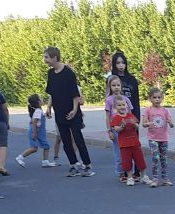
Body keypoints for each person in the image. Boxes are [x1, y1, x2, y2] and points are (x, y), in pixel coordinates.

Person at [43, 46, 94, 177]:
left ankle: (87, 165)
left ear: (55, 58)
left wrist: (74, 110)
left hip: (72, 112)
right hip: (59, 112)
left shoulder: (68, 73)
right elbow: (51, 93)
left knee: (78, 139)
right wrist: (48, 107)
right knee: (65, 140)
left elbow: (75, 94)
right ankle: (73, 165)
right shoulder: (50, 74)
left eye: (46, 57)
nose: (45, 60)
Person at [110, 96, 151, 186]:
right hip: (124, 144)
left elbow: (137, 126)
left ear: (126, 105)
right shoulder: (116, 118)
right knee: (127, 161)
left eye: (123, 105)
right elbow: (116, 129)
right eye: (119, 105)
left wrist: (134, 124)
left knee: (140, 160)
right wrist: (122, 127)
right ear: (115, 107)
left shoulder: (131, 115)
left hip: (135, 143)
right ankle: (129, 177)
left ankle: (143, 176)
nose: (122, 107)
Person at [143, 86, 174, 186]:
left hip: (164, 138)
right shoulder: (148, 110)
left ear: (162, 98)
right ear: (150, 99)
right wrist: (148, 123)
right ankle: (155, 178)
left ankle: (165, 178)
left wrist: (171, 123)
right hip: (153, 138)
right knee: (155, 158)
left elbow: (170, 122)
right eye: (154, 97)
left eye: (159, 97)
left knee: (163, 158)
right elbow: (143, 124)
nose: (157, 99)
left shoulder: (165, 110)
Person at [15, 94, 55, 168]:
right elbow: (34, 121)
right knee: (34, 148)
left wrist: (46, 115)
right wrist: (34, 133)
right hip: (36, 131)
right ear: (38, 102)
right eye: (40, 98)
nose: (42, 99)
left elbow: (39, 119)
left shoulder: (38, 111)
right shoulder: (38, 111)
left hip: (39, 132)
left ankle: (45, 161)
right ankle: (20, 157)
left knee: (46, 146)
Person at [109, 50, 141, 123]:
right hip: (116, 116)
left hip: (130, 115)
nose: (121, 65)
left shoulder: (132, 79)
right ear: (114, 64)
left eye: (123, 63)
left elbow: (136, 100)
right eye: (118, 63)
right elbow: (108, 98)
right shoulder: (111, 79)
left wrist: (137, 118)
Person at [105, 75, 129, 176]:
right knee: (119, 152)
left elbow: (130, 114)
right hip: (116, 130)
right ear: (110, 87)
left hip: (127, 130)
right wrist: (109, 130)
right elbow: (107, 116)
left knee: (128, 151)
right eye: (113, 85)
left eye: (118, 85)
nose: (116, 87)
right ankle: (120, 172)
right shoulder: (109, 100)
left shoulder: (125, 99)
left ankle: (129, 171)